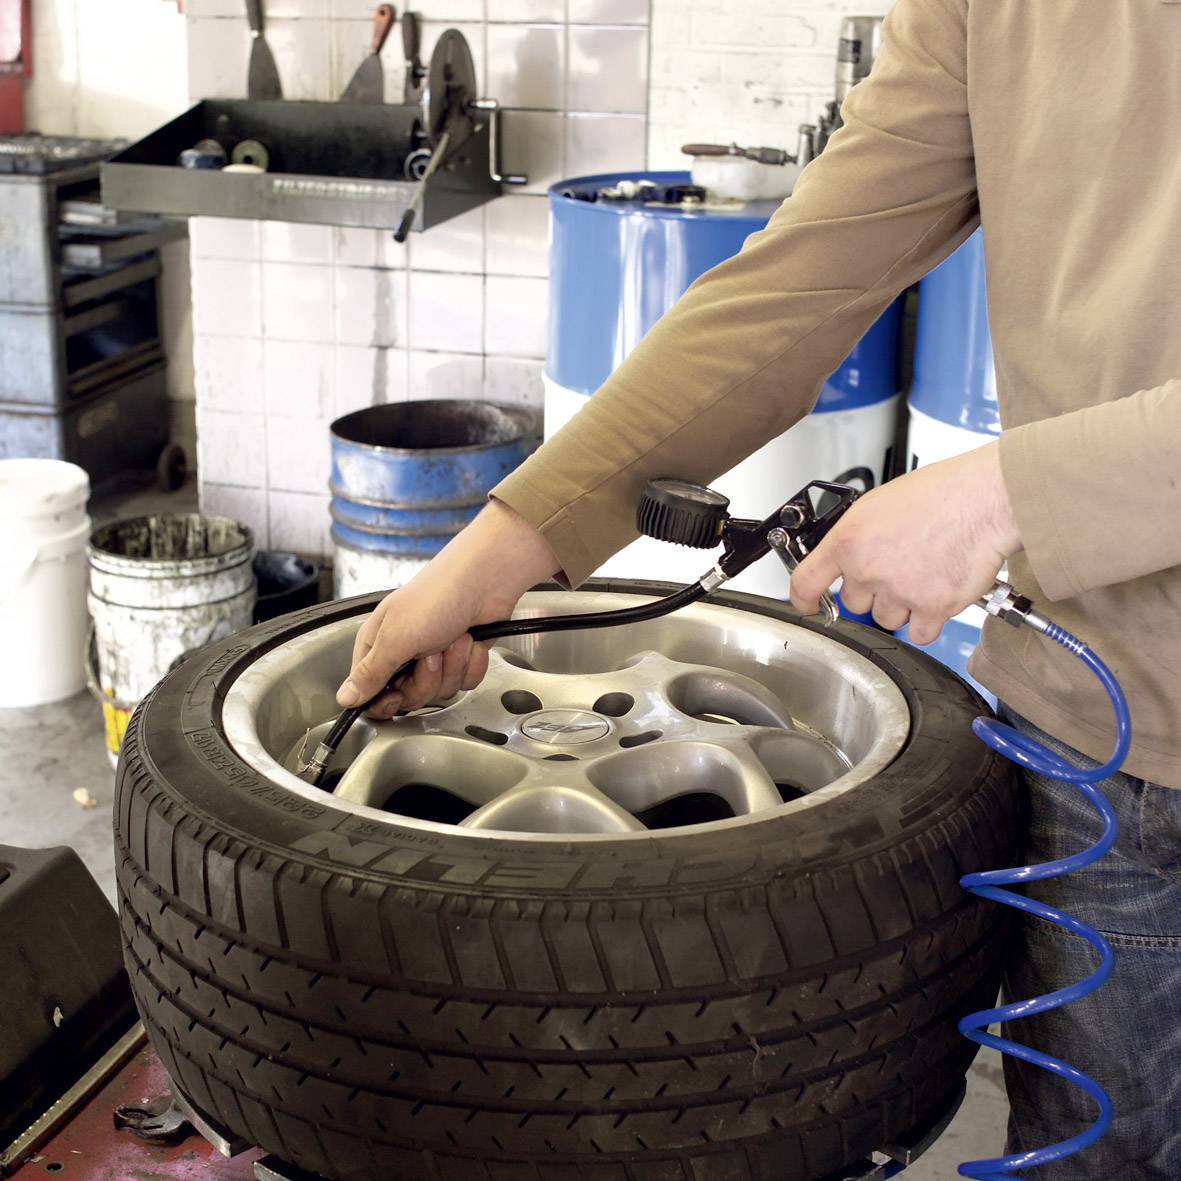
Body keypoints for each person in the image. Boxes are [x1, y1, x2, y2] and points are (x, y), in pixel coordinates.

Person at [335, 2, 1181, 1176]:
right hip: (1096, 733)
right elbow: (798, 285)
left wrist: (1006, 496)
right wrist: (497, 554)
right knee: (1093, 1157)